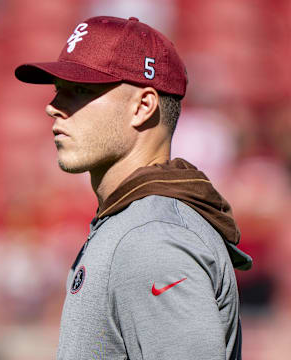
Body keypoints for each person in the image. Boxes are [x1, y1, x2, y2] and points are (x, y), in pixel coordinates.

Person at [15, 15, 252, 360]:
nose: (53, 107)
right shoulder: (134, 223)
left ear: (143, 107)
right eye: (58, 90)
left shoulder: (153, 238)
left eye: (81, 90)